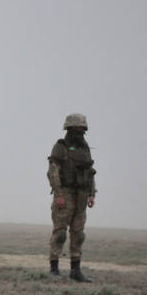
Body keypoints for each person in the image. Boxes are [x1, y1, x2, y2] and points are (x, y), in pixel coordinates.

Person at [47, 112, 97, 282]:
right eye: (77, 127)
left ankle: (76, 270)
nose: (80, 130)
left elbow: (90, 173)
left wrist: (92, 194)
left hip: (81, 196)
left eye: (82, 128)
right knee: (60, 233)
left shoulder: (85, 148)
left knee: (79, 234)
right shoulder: (61, 147)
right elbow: (53, 171)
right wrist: (59, 194)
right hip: (66, 195)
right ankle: (54, 268)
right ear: (69, 128)